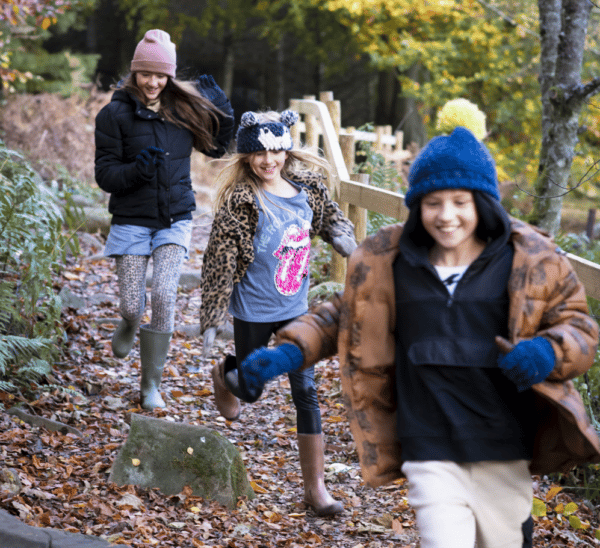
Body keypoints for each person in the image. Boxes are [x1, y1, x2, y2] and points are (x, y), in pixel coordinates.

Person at [233, 110, 600, 546]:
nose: (447, 216)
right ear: (416, 206)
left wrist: (548, 353)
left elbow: (577, 324)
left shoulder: (530, 258)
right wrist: (286, 353)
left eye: (460, 202)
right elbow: (340, 315)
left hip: (502, 445)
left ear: (482, 203)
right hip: (429, 444)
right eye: (432, 203)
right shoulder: (393, 260)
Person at [199, 109, 357, 516]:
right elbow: (220, 259)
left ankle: (316, 488)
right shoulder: (242, 200)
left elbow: (330, 218)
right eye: (259, 153)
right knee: (250, 391)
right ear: (247, 156)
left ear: (286, 151)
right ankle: (225, 374)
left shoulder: (308, 190)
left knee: (305, 391)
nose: (269, 161)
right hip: (253, 310)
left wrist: (344, 240)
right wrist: (214, 317)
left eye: (276, 151)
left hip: (295, 311)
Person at [95, 29, 234, 410]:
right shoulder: (114, 114)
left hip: (175, 218)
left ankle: (150, 385)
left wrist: (224, 111)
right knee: (131, 306)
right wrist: (136, 171)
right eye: (146, 74)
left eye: (161, 76)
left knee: (166, 294)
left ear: (170, 76)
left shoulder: (182, 110)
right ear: (134, 73)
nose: (153, 83)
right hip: (131, 220)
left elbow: (217, 147)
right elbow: (105, 174)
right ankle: (128, 323)